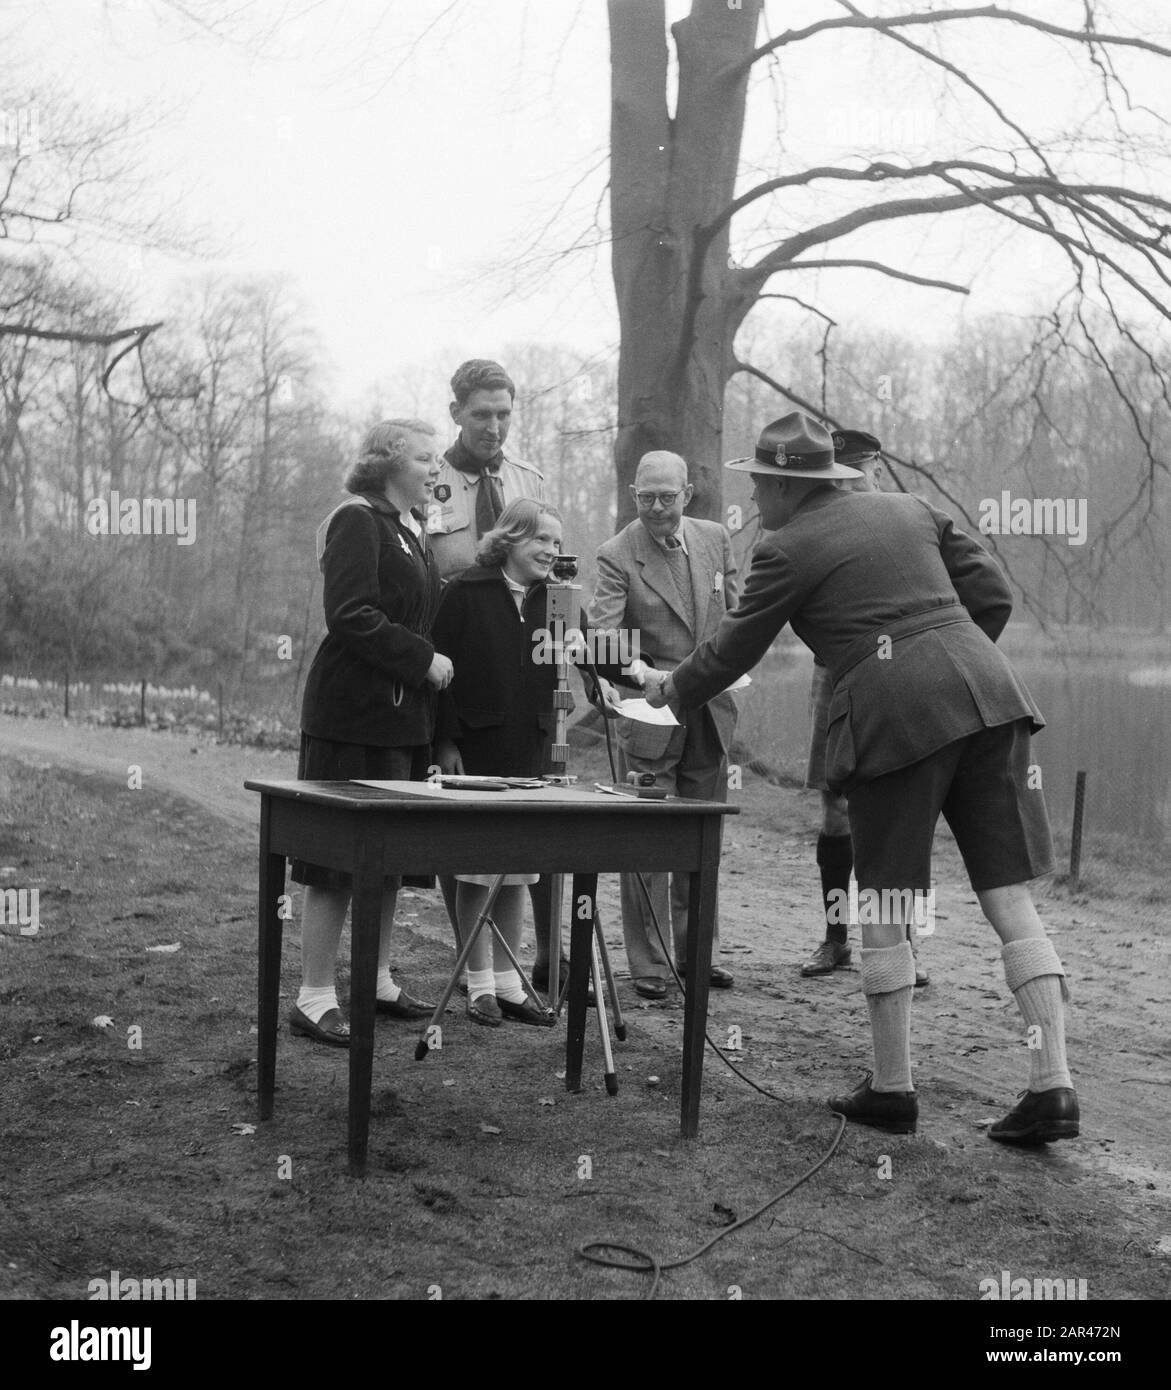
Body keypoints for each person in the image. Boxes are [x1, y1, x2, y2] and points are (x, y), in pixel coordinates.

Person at [646, 412, 1078, 1145]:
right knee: (1006, 891)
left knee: (883, 892)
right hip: (992, 696)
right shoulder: (912, 509)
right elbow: (994, 597)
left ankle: (890, 1088)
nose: (754, 503)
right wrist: (945, 659)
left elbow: (729, 652)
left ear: (785, 486)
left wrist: (669, 691)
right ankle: (1054, 1088)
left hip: (891, 720)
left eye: (759, 487)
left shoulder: (785, 550)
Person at [287, 419, 452, 1048]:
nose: (435, 469)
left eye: (437, 459)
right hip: (351, 717)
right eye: (425, 458)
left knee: (388, 858)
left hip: (402, 719)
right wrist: (421, 659)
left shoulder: (410, 529)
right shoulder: (357, 519)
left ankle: (376, 981)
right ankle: (315, 996)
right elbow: (350, 614)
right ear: (387, 462)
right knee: (334, 860)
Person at [425, 360, 564, 994]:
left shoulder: (527, 480)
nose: (495, 426)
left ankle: (520, 969)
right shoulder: (430, 482)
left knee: (520, 846)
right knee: (466, 842)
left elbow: (551, 573)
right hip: (450, 666)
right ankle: (471, 969)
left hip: (521, 682)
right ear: (456, 412)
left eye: (505, 413)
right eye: (482, 413)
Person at [586, 450, 740, 1000]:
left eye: (667, 497)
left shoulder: (717, 539)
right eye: (646, 497)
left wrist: (730, 668)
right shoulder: (616, 554)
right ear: (633, 495)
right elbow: (602, 639)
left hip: (713, 710)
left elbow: (739, 619)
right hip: (650, 713)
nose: (656, 507)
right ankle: (649, 967)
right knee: (650, 843)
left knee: (702, 839)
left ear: (688, 494)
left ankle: (697, 954)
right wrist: (642, 672)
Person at [801, 429, 928, 989]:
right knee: (835, 811)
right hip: (838, 677)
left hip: (903, 682)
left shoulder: (905, 519)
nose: (857, 487)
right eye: (846, 478)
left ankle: (908, 946)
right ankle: (835, 939)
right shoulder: (817, 529)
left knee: (905, 816)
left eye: (865, 475)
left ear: (874, 470)